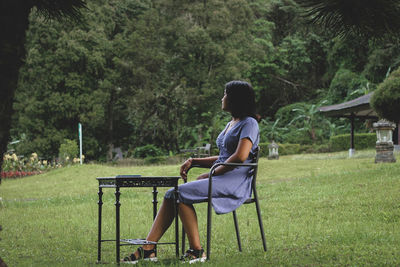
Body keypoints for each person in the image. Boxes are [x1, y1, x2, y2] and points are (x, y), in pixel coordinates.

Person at [122, 80, 260, 264]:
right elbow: (223, 156)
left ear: (235, 99)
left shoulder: (249, 123)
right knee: (173, 194)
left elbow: (241, 156)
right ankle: (149, 248)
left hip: (234, 181)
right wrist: (194, 161)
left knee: (178, 194)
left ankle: (197, 251)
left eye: (225, 94)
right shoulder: (232, 123)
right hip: (222, 176)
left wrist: (215, 172)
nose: (222, 98)